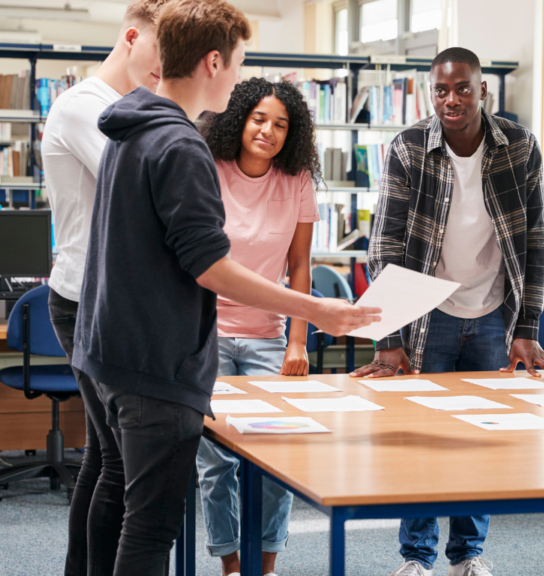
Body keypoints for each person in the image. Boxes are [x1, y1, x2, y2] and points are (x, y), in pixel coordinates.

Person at [71, 1, 379, 573]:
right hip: (152, 365)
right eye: (238, 61)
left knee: (117, 501)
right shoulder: (182, 147)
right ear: (214, 62)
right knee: (149, 529)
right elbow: (210, 266)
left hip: (106, 353)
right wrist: (315, 311)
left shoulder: (130, 127)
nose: (239, 73)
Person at [350, 46, 544, 576]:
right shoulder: (408, 148)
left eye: (463, 88)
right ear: (431, 91)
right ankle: (416, 558)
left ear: (482, 90)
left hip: (492, 312)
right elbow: (385, 245)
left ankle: (467, 555)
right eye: (441, 89)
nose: (451, 99)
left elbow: (535, 242)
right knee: (421, 439)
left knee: (477, 439)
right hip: (428, 313)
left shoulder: (519, 148)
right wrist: (388, 336)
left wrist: (526, 325)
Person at [41, 1, 170, 573]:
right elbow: (142, 187)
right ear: (130, 37)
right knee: (119, 461)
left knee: (104, 455)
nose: (166, 69)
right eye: (162, 54)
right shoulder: (85, 107)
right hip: (84, 300)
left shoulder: (128, 106)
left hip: (108, 298)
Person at [194, 77, 321, 576]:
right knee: (216, 464)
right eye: (259, 119)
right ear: (240, 119)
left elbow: (300, 267)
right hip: (209, 334)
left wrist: (297, 340)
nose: (268, 130)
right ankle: (230, 565)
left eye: (281, 124)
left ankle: (265, 566)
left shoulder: (297, 180)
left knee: (277, 461)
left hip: (269, 337)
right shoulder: (209, 168)